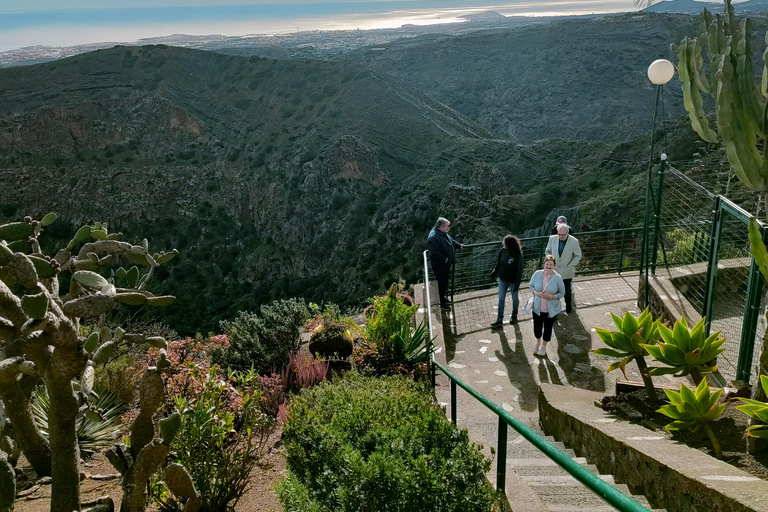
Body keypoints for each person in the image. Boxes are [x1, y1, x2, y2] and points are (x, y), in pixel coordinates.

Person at [529, 254, 565, 358]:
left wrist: (551, 296)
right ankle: (538, 342)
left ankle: (543, 346)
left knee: (548, 328)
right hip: (537, 308)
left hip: (551, 310)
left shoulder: (557, 277)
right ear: (543, 264)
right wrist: (536, 292)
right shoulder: (537, 274)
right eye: (547, 264)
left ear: (554, 265)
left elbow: (562, 293)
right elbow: (531, 286)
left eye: (551, 264)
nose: (549, 266)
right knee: (537, 328)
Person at [427, 217, 462, 310]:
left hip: (445, 265)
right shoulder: (434, 237)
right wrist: (445, 259)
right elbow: (434, 253)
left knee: (444, 282)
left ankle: (443, 298)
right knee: (441, 283)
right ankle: (442, 304)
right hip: (440, 266)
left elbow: (450, 241)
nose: (448, 228)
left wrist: (458, 245)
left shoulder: (441, 233)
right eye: (447, 226)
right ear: (442, 226)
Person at [545, 223, 582, 313]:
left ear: (567, 232)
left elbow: (578, 255)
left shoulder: (574, 241)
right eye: (559, 234)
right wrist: (550, 261)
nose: (561, 236)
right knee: (553, 291)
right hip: (554, 270)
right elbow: (547, 251)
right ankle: (554, 310)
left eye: (563, 235)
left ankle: (568, 307)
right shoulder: (552, 238)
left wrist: (571, 265)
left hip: (566, 270)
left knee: (567, 291)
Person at [490, 234, 524, 327]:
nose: (503, 244)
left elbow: (519, 270)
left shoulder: (518, 254)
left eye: (504, 242)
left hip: (513, 281)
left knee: (515, 298)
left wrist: (517, 284)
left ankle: (514, 315)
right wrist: (494, 272)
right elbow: (499, 262)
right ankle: (499, 318)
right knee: (501, 299)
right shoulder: (502, 251)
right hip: (502, 279)